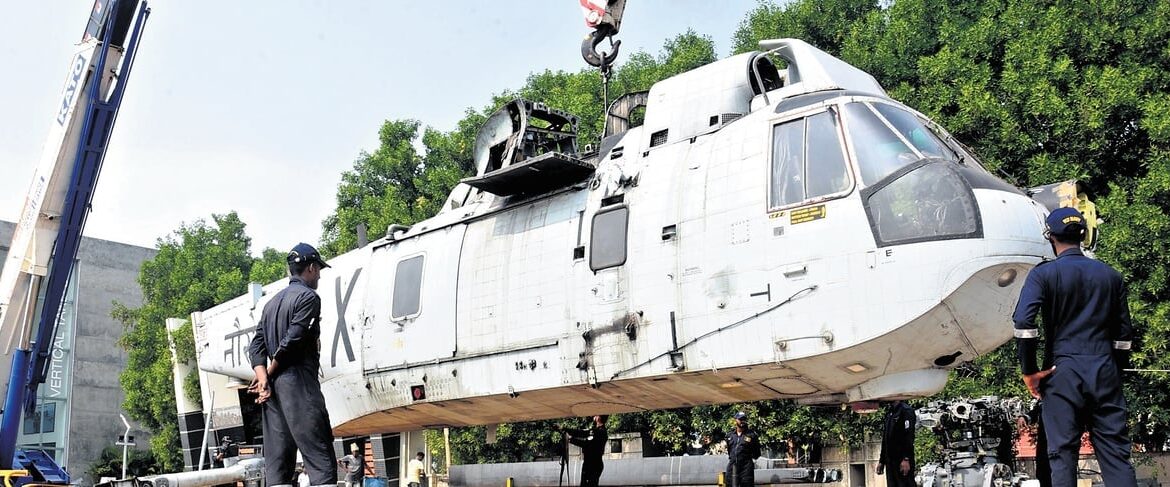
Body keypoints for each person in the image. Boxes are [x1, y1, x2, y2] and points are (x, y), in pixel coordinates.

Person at [1013, 207, 1137, 487]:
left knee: (1062, 456)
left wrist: (1030, 371)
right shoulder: (1111, 276)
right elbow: (1124, 335)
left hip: (1062, 372)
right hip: (1104, 370)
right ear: (1084, 235)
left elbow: (1023, 321)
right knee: (1116, 457)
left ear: (1050, 236)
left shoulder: (1043, 275)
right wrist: (1112, 370)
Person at [248, 242, 337, 487]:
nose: (319, 274)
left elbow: (255, 346)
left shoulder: (270, 304)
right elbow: (292, 341)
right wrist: (271, 372)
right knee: (321, 462)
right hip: (299, 387)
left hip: (272, 395)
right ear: (310, 268)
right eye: (318, 269)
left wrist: (263, 377)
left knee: (278, 467)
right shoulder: (309, 298)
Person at [876, 400, 915, 487]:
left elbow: (908, 436)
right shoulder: (890, 412)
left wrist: (906, 458)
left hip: (901, 460)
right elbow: (885, 439)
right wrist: (882, 461)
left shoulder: (906, 411)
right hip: (890, 461)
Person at [562, 415, 608, 487]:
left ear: (598, 418)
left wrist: (571, 439)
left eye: (596, 415)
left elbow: (586, 444)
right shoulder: (596, 430)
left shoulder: (600, 432)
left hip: (592, 465)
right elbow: (581, 433)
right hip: (591, 464)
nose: (594, 416)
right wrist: (565, 429)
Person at [724, 411, 761, 487]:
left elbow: (757, 453)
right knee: (729, 484)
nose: (742, 421)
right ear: (736, 420)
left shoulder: (751, 435)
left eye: (744, 419)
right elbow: (729, 451)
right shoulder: (729, 435)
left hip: (746, 468)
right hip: (732, 466)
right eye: (740, 419)